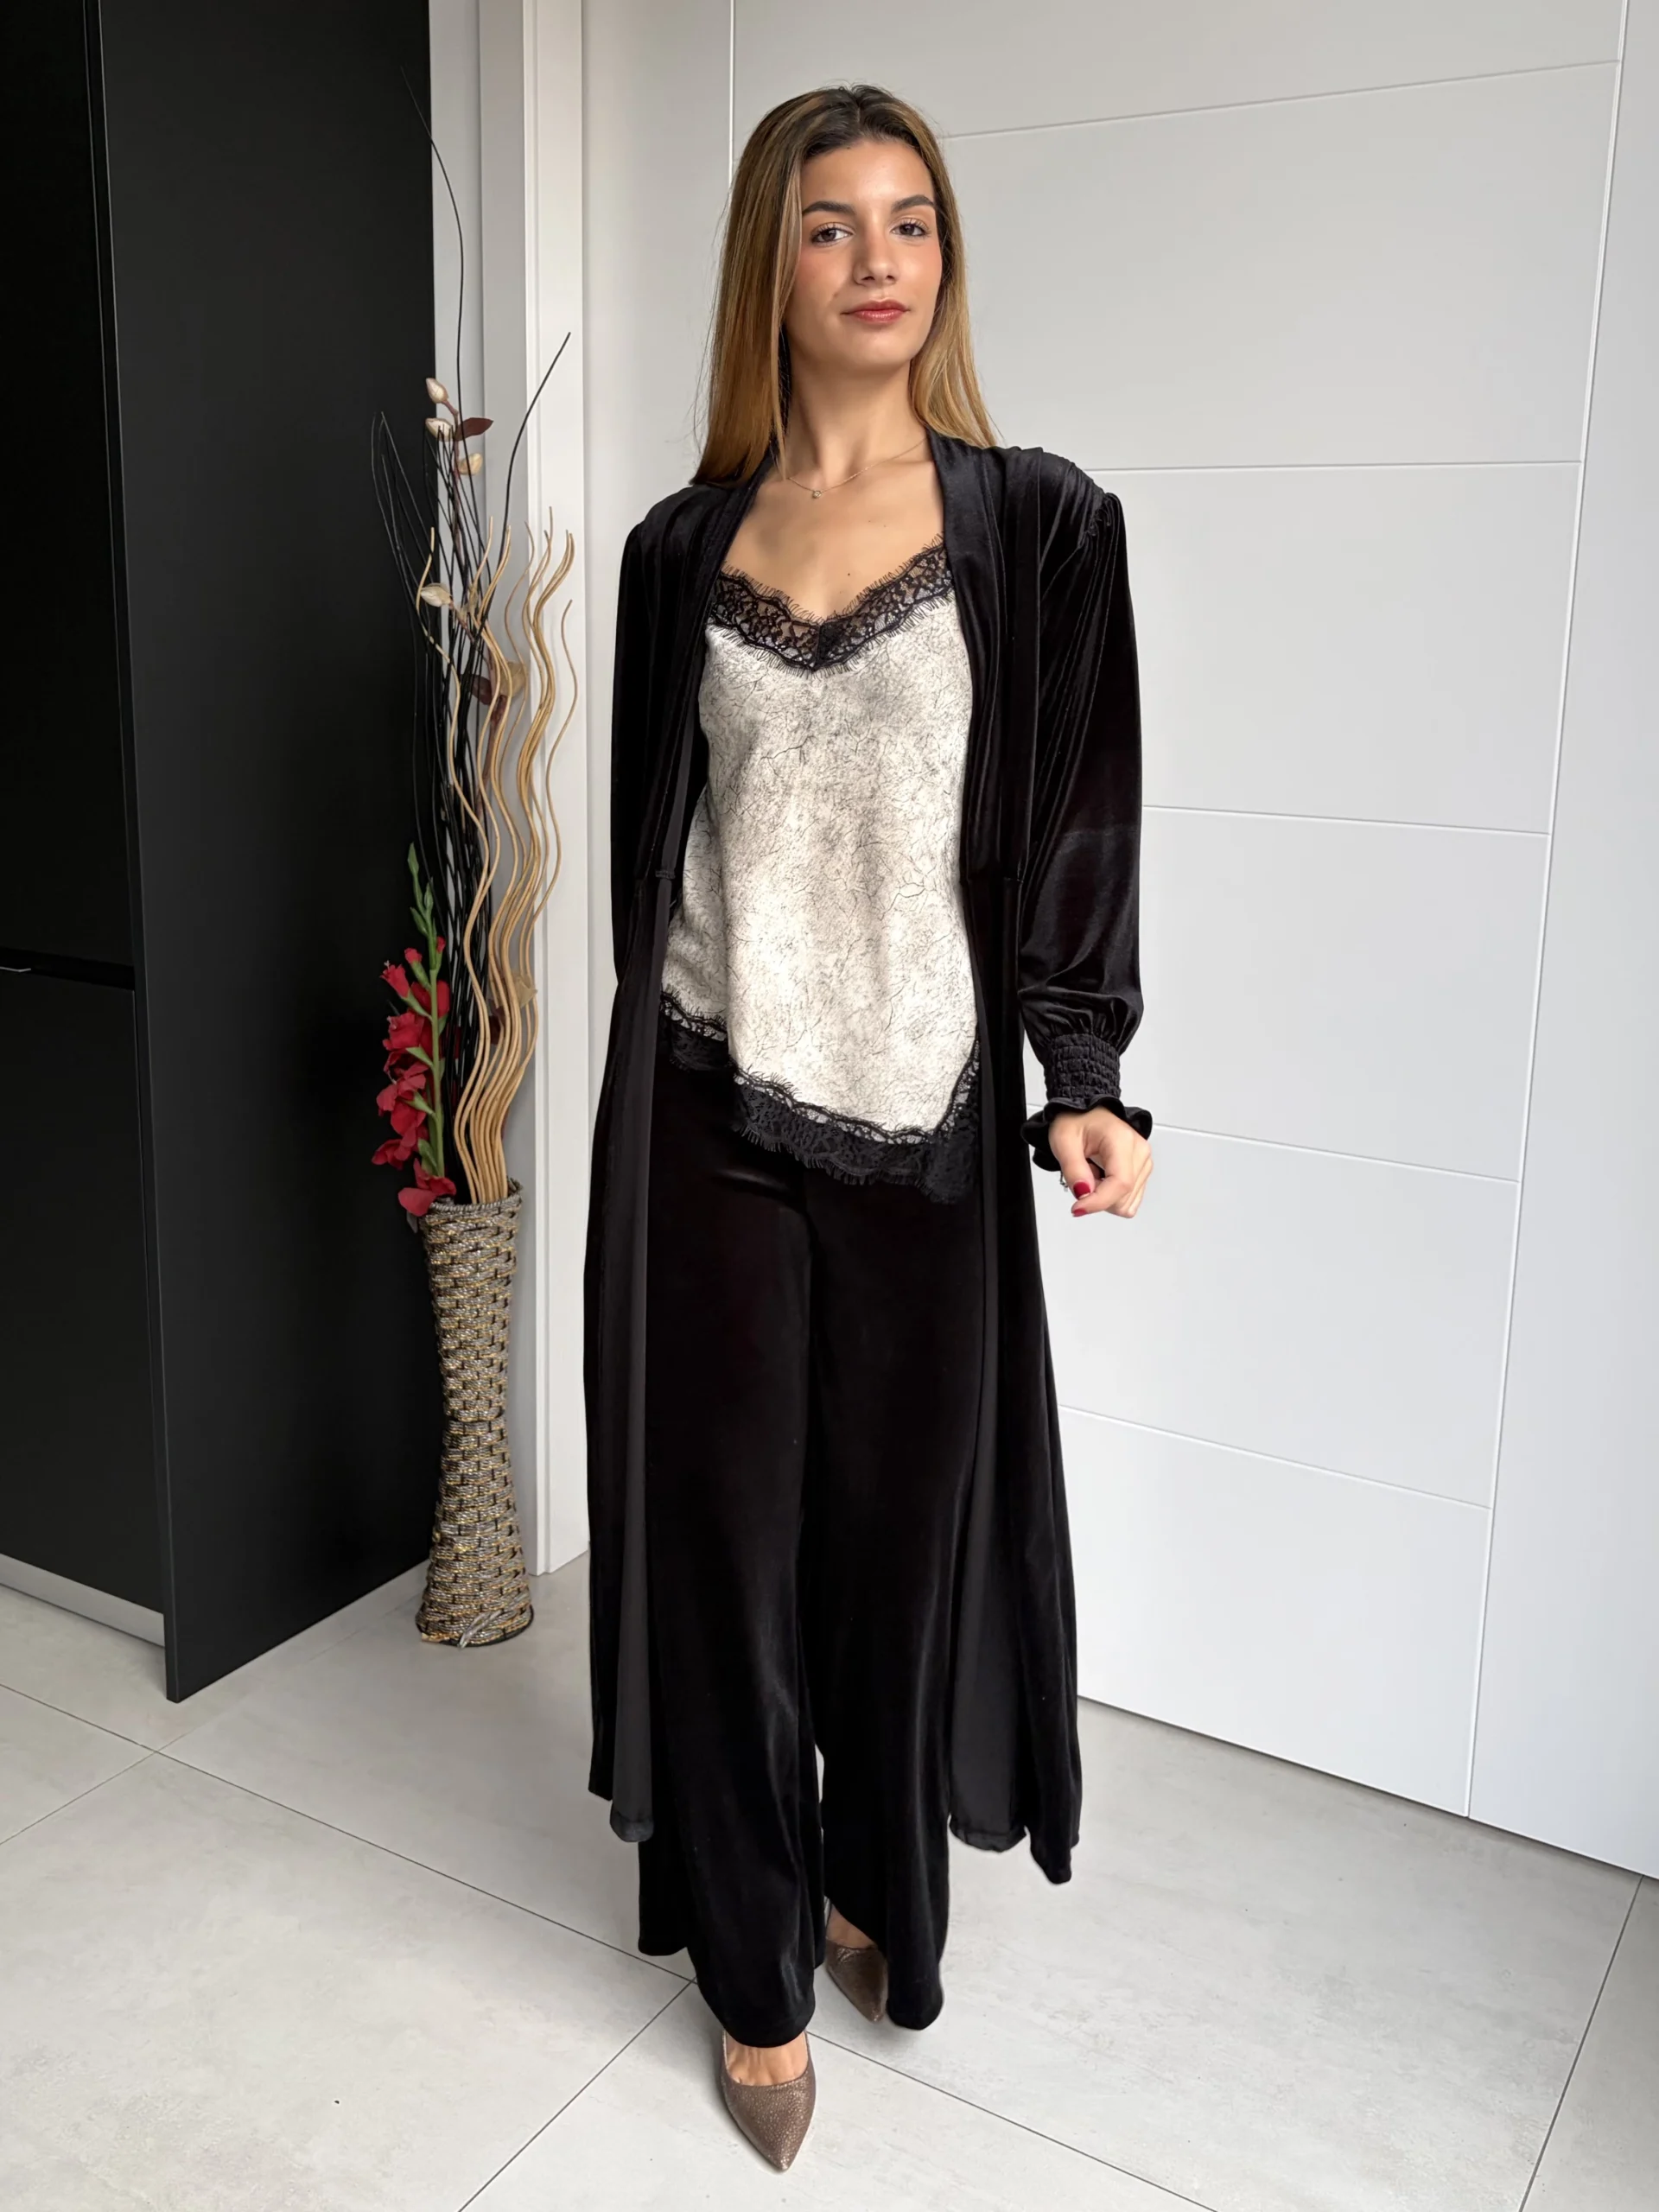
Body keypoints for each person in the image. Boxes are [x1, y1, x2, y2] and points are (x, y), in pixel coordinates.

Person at [582, 81, 1154, 2171]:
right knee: (726, 1551)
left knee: (895, 1556)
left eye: (912, 219)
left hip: (929, 1120)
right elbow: (657, 844)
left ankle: (867, 1879)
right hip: (709, 1104)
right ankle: (753, 1970)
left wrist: (1083, 1074)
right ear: (774, 260)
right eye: (832, 224)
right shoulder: (676, 549)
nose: (880, 259)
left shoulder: (1039, 521)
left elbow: (1084, 809)